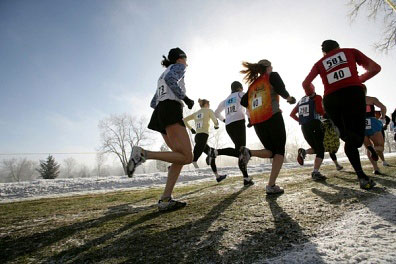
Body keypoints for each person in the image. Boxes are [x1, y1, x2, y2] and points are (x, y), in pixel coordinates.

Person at [302, 39, 381, 190]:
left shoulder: (320, 62)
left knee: (349, 139)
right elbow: (375, 68)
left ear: (324, 52)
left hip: (331, 100)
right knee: (356, 139)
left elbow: (306, 83)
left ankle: (361, 174)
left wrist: (311, 94)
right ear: (338, 47)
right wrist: (357, 80)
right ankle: (359, 145)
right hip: (353, 94)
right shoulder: (350, 51)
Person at [127, 47, 195, 212]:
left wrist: (163, 109)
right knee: (187, 157)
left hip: (160, 114)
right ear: (180, 58)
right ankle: (144, 154)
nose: (186, 62)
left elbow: (153, 102)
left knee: (178, 157)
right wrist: (185, 98)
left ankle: (165, 199)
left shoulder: (162, 75)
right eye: (185, 59)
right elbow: (172, 80)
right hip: (171, 109)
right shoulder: (178, 68)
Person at [239, 59, 296, 194]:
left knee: (271, 151)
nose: (272, 68)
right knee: (279, 152)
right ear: (267, 67)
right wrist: (290, 99)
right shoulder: (272, 75)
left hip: (258, 122)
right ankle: (271, 185)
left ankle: (249, 152)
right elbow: (281, 89)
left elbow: (243, 101)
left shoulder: (252, 85)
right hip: (272, 116)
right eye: (271, 66)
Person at [211, 81, 254, 186]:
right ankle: (216, 152)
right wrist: (250, 119)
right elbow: (248, 105)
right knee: (242, 150)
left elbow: (216, 113)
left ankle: (246, 178)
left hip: (229, 125)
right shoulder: (241, 94)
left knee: (240, 151)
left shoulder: (225, 100)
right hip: (238, 122)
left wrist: (224, 120)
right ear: (239, 88)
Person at [183, 99, 227, 182]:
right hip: (203, 136)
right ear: (206, 104)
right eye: (209, 104)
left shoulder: (196, 113)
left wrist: (191, 129)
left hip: (197, 137)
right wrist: (216, 126)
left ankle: (217, 176)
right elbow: (215, 120)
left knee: (211, 154)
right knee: (193, 158)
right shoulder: (208, 111)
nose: (209, 105)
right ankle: (174, 165)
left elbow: (184, 120)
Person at [290, 84, 327, 180]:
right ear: (313, 88)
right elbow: (319, 110)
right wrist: (326, 115)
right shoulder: (317, 97)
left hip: (304, 128)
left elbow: (292, 114)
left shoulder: (301, 100)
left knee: (316, 148)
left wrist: (301, 121)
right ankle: (315, 172)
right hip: (315, 124)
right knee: (321, 150)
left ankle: (304, 152)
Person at [363, 86, 388, 174]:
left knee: (368, 148)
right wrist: (383, 117)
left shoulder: (352, 102)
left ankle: (376, 168)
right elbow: (383, 107)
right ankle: (374, 148)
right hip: (372, 122)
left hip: (360, 124)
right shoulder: (371, 99)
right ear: (365, 91)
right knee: (380, 147)